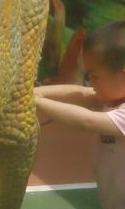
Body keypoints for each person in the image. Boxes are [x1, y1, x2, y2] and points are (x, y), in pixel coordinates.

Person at [34, 20, 125, 209]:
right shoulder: (113, 97)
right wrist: (38, 93)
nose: (89, 80)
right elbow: (81, 93)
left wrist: (38, 103)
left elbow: (88, 121)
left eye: (94, 75)